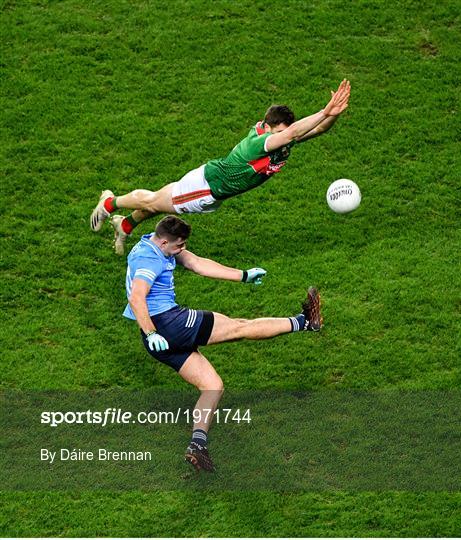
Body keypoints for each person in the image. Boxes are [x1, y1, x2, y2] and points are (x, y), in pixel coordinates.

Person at [124, 215, 323, 472]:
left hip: (159, 339)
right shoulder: (149, 259)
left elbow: (196, 263)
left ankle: (197, 445)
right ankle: (306, 321)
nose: (182, 250)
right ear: (163, 242)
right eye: (178, 246)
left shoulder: (152, 244)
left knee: (212, 386)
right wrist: (152, 331)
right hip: (168, 324)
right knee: (240, 327)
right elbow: (137, 297)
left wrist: (243, 275)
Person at [91, 80, 351, 254]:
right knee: (152, 202)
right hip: (206, 188)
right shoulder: (259, 144)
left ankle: (124, 226)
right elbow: (293, 133)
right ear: (268, 126)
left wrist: (333, 114)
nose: (285, 135)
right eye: (280, 132)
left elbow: (317, 130)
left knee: (156, 201)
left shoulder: (280, 142)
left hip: (212, 188)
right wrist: (324, 108)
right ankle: (109, 204)